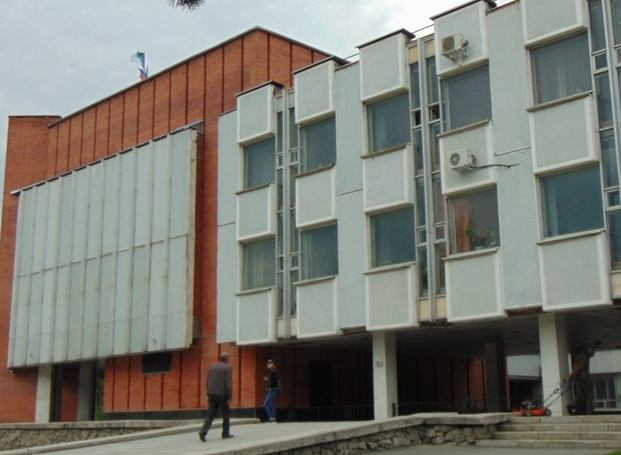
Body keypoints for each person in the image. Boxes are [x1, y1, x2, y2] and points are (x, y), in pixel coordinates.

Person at [199, 352, 234, 442]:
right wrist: (229, 397)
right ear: (227, 359)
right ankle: (225, 433)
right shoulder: (227, 368)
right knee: (226, 414)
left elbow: (208, 381)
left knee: (210, 415)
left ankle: (203, 432)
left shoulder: (213, 367)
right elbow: (228, 384)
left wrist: (208, 392)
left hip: (211, 394)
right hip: (222, 395)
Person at [566, 347, 595, 415]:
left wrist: (572, 376)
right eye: (591, 355)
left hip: (577, 378)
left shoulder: (579, 357)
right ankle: (590, 411)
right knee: (589, 394)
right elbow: (579, 367)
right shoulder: (585, 358)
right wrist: (570, 375)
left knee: (580, 393)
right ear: (589, 353)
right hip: (584, 378)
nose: (591, 357)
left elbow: (575, 368)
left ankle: (571, 405)